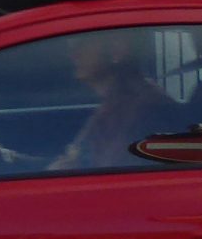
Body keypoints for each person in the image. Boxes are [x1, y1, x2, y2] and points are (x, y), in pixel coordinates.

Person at [52, 28, 187, 172]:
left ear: (117, 50)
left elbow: (111, 176)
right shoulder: (117, 101)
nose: (73, 54)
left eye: (83, 44)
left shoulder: (146, 110)